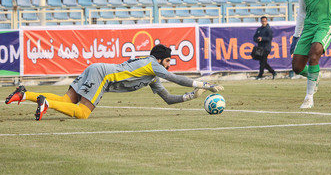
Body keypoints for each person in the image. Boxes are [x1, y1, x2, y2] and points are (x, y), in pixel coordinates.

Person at [5, 44, 224, 120]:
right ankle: (46, 104)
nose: (169, 65)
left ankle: (25, 94)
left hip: (96, 68)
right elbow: (176, 78)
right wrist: (204, 85)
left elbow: (167, 98)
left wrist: (190, 96)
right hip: (104, 75)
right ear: (159, 59)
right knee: (82, 112)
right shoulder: (153, 64)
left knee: (66, 100)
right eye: (168, 61)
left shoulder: (152, 73)